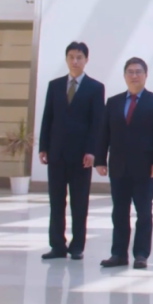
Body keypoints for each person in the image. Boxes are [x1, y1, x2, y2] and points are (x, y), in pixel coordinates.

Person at [94, 57, 153, 269]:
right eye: (130, 72)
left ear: (145, 75)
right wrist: (100, 160)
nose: (134, 76)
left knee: (143, 213)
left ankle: (141, 254)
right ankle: (118, 254)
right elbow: (104, 133)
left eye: (138, 72)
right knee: (119, 212)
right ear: (125, 76)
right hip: (118, 166)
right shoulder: (114, 102)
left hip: (145, 167)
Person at [38, 42, 105, 261]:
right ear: (66, 59)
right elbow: (48, 117)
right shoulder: (55, 85)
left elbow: (97, 123)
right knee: (56, 202)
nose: (75, 61)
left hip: (81, 156)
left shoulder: (95, 87)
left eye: (79, 57)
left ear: (86, 60)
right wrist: (43, 147)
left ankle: (77, 246)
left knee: (79, 202)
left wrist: (92, 151)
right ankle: (57, 245)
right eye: (71, 57)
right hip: (56, 153)